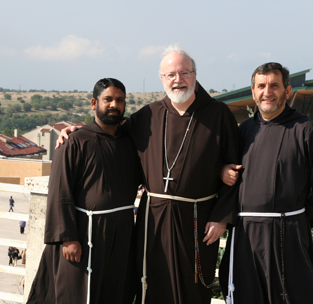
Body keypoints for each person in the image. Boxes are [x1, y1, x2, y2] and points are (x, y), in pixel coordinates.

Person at [57, 45, 240, 304]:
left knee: (194, 288)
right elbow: (109, 128)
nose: (178, 80)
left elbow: (236, 168)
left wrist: (222, 218)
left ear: (195, 75)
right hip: (152, 220)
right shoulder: (148, 115)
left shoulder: (219, 114)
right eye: (171, 74)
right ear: (162, 79)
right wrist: (77, 130)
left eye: (184, 72)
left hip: (197, 221)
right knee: (149, 286)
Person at [219, 62, 313, 304]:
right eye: (261, 86)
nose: (267, 92)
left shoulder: (304, 130)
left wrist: (299, 222)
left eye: (274, 85)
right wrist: (223, 170)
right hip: (245, 237)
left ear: (287, 91)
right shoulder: (243, 131)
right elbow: (223, 171)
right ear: (253, 92)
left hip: (288, 237)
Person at [27, 78, 141, 304]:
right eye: (108, 99)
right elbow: (60, 192)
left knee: (114, 292)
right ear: (93, 103)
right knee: (75, 294)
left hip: (121, 234)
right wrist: (68, 238)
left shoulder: (131, 142)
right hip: (84, 233)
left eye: (120, 100)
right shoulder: (73, 142)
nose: (114, 105)